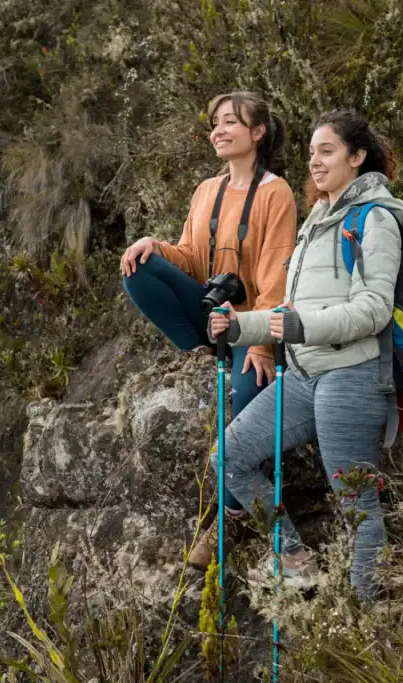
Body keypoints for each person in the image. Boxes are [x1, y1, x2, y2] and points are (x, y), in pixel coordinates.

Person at [208, 110, 403, 600]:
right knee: (229, 455)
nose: (315, 162)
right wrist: (237, 327)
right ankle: (293, 556)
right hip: (303, 373)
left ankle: (368, 609)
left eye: (327, 152)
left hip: (353, 375)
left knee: (356, 501)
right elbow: (287, 312)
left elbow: (375, 308)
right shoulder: (316, 221)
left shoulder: (375, 218)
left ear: (357, 158)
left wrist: (303, 327)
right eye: (311, 152)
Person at [120, 92, 297, 569]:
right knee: (140, 269)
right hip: (212, 317)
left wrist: (261, 341)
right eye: (214, 124)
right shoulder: (206, 190)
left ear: (258, 132)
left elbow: (277, 274)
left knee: (241, 410)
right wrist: (151, 244)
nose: (218, 131)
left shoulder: (275, 192)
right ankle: (197, 349)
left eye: (230, 123)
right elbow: (189, 259)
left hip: (250, 323)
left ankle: (232, 514)